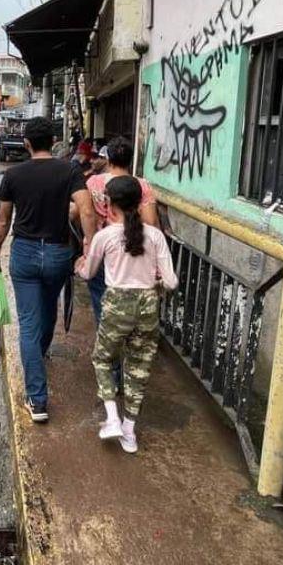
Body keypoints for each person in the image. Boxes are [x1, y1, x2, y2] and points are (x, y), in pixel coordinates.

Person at [0, 116, 97, 423]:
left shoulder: (14, 174)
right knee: (49, 309)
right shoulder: (70, 170)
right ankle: (41, 350)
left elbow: (2, 221)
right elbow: (86, 209)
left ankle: (37, 400)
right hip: (58, 252)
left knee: (28, 324)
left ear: (26, 144)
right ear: (53, 141)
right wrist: (89, 246)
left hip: (23, 252)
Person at [78, 176, 178, 453]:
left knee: (102, 358)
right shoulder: (155, 236)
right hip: (147, 306)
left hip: (116, 304)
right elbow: (171, 282)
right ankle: (129, 433)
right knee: (139, 368)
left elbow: (89, 273)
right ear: (139, 202)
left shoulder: (105, 236)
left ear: (109, 204)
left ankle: (112, 417)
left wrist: (79, 265)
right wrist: (154, 284)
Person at [84, 137, 160, 322]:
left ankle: (107, 341)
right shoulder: (141, 185)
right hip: (132, 249)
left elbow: (84, 213)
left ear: (108, 159)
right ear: (131, 160)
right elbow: (150, 221)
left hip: (100, 251)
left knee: (101, 301)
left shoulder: (93, 182)